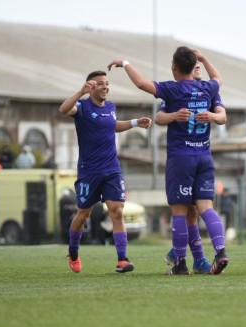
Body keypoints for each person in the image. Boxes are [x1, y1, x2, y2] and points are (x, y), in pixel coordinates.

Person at [108, 46, 229, 275]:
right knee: (206, 207)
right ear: (193, 65)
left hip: (181, 157)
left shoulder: (172, 89)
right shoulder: (207, 87)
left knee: (180, 212)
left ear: (174, 67)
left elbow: (142, 83)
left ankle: (180, 264)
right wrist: (203, 57)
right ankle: (220, 251)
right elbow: (218, 78)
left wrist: (124, 63)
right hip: (204, 156)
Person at [59, 70, 152, 274]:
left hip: (111, 168)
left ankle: (122, 259)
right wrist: (80, 92)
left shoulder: (110, 107)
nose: (105, 87)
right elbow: (64, 109)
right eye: (100, 83)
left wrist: (136, 122)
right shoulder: (82, 107)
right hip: (89, 171)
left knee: (117, 211)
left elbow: (112, 126)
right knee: (83, 214)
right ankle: (73, 253)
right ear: (91, 87)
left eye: (107, 83)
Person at [161, 61, 227, 274]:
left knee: (190, 211)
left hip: (193, 157)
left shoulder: (210, 91)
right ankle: (197, 258)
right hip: (192, 158)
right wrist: (173, 116)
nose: (198, 67)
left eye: (200, 65)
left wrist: (213, 116)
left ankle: (186, 257)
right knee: (191, 211)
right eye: (195, 65)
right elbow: (159, 116)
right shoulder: (176, 92)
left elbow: (223, 116)